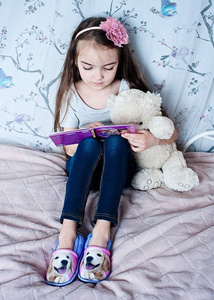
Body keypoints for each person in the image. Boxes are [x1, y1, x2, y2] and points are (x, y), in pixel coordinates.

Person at [46, 16, 178, 286]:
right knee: (89, 144)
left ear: (119, 63)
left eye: (108, 67)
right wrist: (90, 135)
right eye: (88, 67)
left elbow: (171, 130)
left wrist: (150, 140)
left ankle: (102, 230)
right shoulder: (71, 93)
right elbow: (69, 149)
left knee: (116, 142)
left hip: (119, 170)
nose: (98, 76)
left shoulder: (127, 88)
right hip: (84, 169)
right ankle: (68, 232)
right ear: (75, 62)